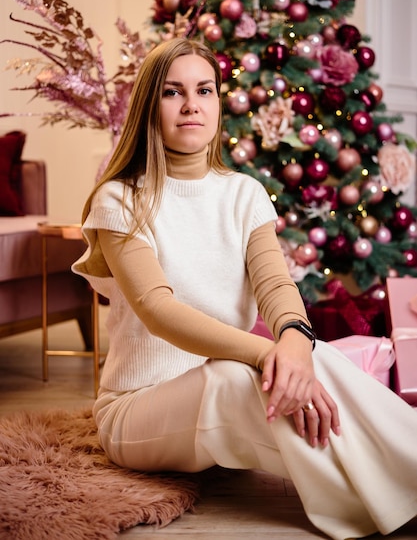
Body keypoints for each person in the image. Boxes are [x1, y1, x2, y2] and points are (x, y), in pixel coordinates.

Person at [73, 37, 417, 540]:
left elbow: (276, 284)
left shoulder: (243, 193)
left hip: (227, 383)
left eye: (204, 90)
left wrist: (296, 343)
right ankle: (382, 500)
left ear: (217, 101)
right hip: (136, 410)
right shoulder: (119, 199)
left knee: (311, 358)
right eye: (172, 92)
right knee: (243, 377)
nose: (191, 104)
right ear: (151, 104)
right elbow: (157, 309)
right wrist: (266, 354)